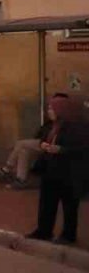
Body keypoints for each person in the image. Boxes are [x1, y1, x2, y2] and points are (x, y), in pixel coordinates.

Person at [26, 95, 87, 245]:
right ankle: (44, 231)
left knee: (69, 205)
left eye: (52, 108)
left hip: (69, 172)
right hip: (51, 169)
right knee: (47, 202)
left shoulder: (77, 127)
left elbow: (82, 149)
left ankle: (68, 235)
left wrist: (61, 149)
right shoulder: (52, 125)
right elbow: (42, 138)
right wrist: (44, 145)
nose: (49, 111)